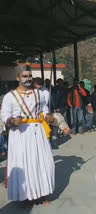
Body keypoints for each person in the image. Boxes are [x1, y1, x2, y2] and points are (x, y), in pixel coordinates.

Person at [1, 64, 55, 204]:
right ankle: (25, 197)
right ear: (18, 77)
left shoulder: (39, 93)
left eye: (29, 76)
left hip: (38, 133)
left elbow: (44, 109)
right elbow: (4, 116)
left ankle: (43, 193)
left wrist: (47, 116)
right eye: (25, 76)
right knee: (24, 164)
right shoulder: (9, 96)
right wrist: (12, 120)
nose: (28, 79)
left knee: (42, 163)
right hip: (20, 135)